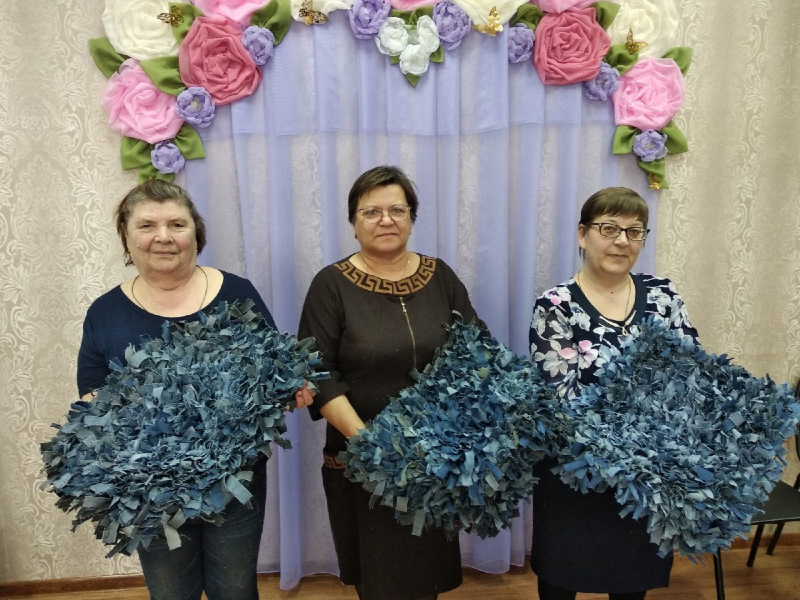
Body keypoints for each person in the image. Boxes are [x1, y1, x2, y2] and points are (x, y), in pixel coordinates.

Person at [77, 179, 313, 600]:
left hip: (235, 482)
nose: (163, 236)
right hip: (152, 491)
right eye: (147, 225)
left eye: (177, 224)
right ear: (126, 236)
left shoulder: (237, 293)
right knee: (170, 592)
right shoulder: (105, 312)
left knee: (235, 589)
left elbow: (273, 371)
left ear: (196, 233)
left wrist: (289, 391)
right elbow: (92, 394)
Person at [298, 165, 481, 600]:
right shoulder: (331, 285)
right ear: (353, 221)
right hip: (364, 459)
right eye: (371, 212)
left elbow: (476, 351)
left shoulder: (441, 276)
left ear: (412, 217)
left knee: (426, 577)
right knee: (380, 580)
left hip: (435, 460)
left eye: (397, 210)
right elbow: (316, 372)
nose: (386, 220)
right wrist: (372, 446)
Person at [528, 187, 699, 600]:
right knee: (561, 580)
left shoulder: (663, 295)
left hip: (645, 475)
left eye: (634, 231)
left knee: (631, 581)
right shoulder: (555, 305)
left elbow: (689, 374)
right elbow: (561, 399)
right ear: (582, 234)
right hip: (575, 472)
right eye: (609, 228)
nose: (622, 241)